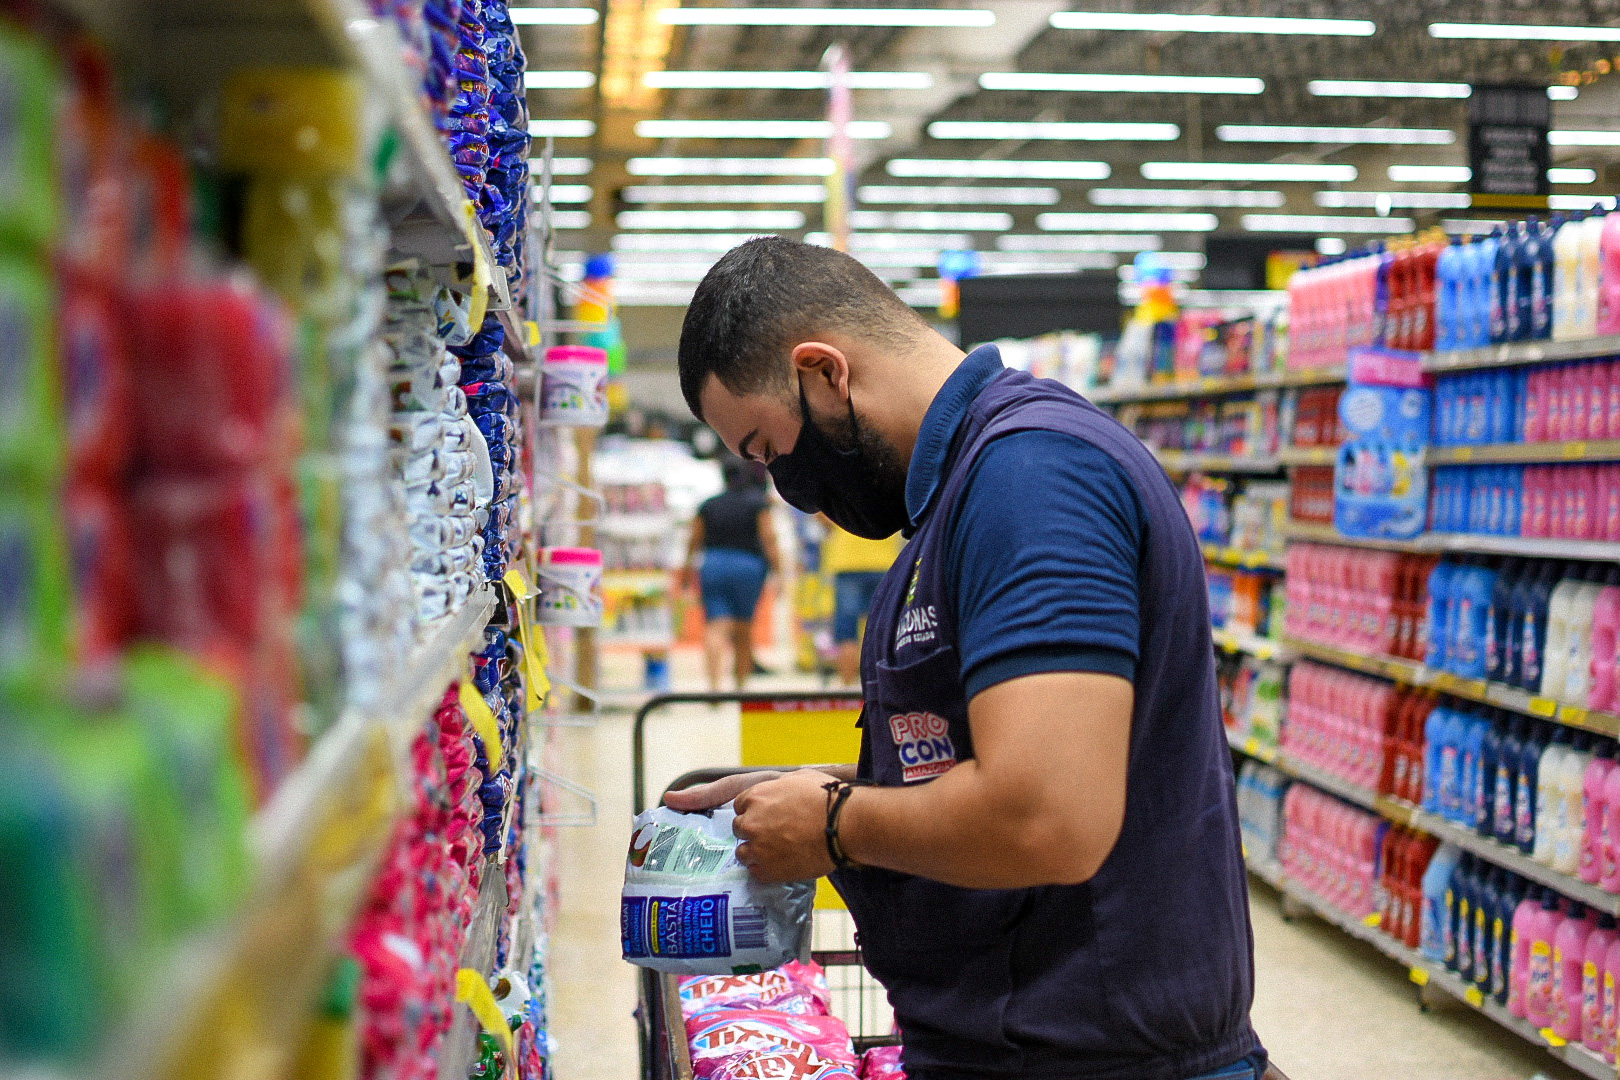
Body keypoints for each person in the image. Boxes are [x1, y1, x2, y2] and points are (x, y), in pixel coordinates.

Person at [663, 237, 1266, 1080]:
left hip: (1091, 1057)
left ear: (824, 371)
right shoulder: (965, 489)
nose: (782, 484)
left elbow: (1046, 816)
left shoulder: (1031, 479)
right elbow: (998, 757)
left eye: (767, 447)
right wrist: (818, 788)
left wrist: (833, 825)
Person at [682, 455, 780, 692]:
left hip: (714, 563)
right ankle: (740, 687)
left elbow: (694, 540)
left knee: (715, 626)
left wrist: (686, 575)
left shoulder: (708, 505)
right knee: (744, 628)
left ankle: (714, 688)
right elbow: (768, 538)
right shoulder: (758, 503)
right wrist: (777, 570)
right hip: (748, 565)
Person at [818, 517, 903, 686]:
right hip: (884, 561)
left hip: (847, 562)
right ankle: (885, 687)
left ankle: (848, 689)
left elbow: (819, 512)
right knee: (885, 632)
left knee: (847, 633)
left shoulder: (841, 489)